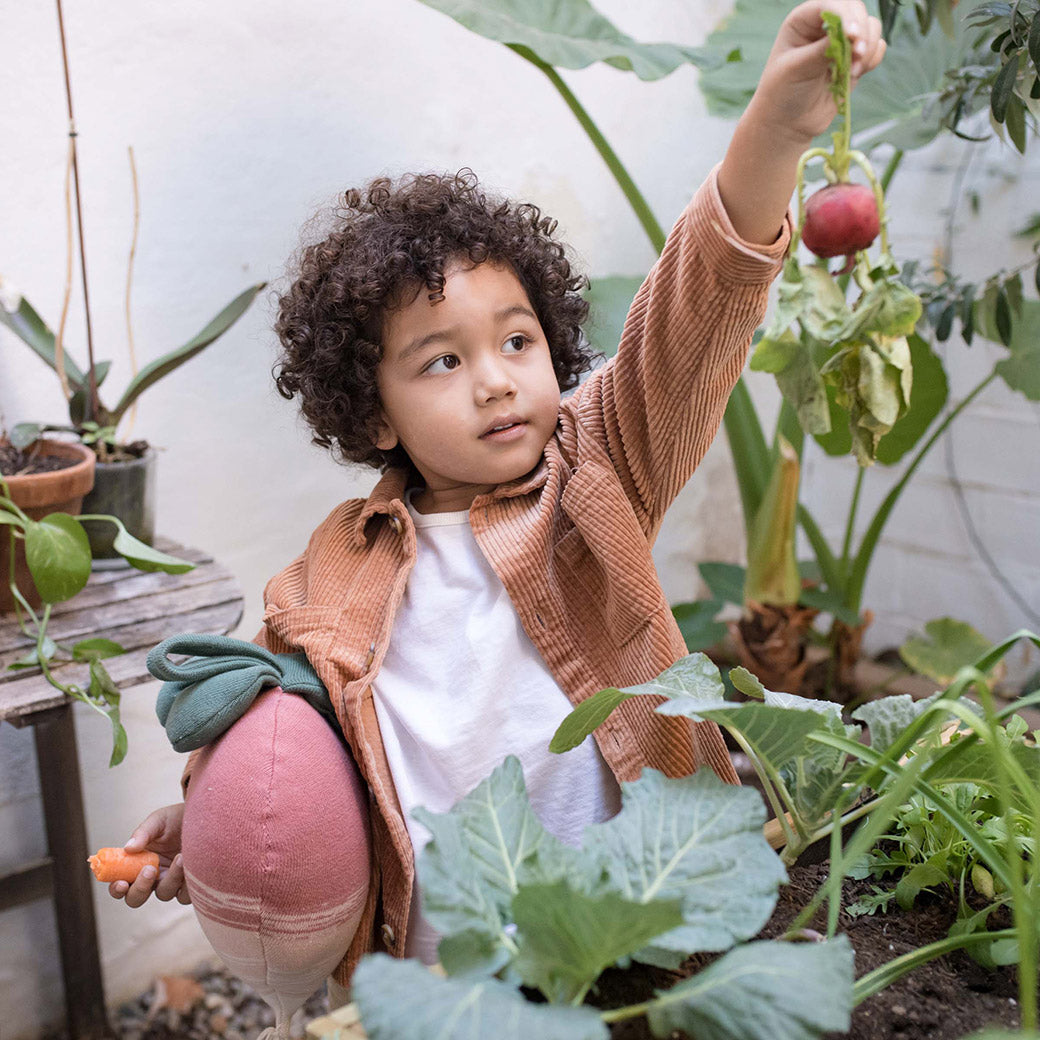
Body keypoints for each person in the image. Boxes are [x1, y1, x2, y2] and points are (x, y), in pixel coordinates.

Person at [109, 0, 885, 1024]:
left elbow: (697, 304)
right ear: (372, 413)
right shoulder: (328, 570)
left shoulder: (595, 465)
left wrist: (777, 131)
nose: (494, 380)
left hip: (632, 944)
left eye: (516, 341)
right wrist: (202, 821)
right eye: (441, 359)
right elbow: (292, 738)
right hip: (440, 972)